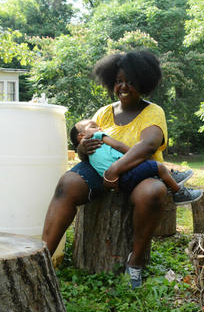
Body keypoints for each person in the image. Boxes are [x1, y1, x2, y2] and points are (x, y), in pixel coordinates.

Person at [42, 50, 184, 288]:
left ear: (144, 83)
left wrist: (114, 170)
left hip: (140, 173)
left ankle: (135, 263)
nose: (124, 86)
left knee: (152, 193)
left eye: (131, 81)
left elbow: (148, 146)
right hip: (99, 172)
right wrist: (82, 149)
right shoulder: (104, 112)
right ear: (111, 83)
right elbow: (86, 143)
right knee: (67, 184)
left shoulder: (153, 112)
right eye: (119, 81)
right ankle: (43, 258)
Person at [69, 119, 202, 204]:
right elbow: (119, 146)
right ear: (82, 136)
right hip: (124, 173)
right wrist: (135, 154)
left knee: (149, 171)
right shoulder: (98, 136)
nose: (99, 128)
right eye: (94, 126)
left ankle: (171, 178)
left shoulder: (88, 154)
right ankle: (179, 192)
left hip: (118, 183)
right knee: (158, 167)